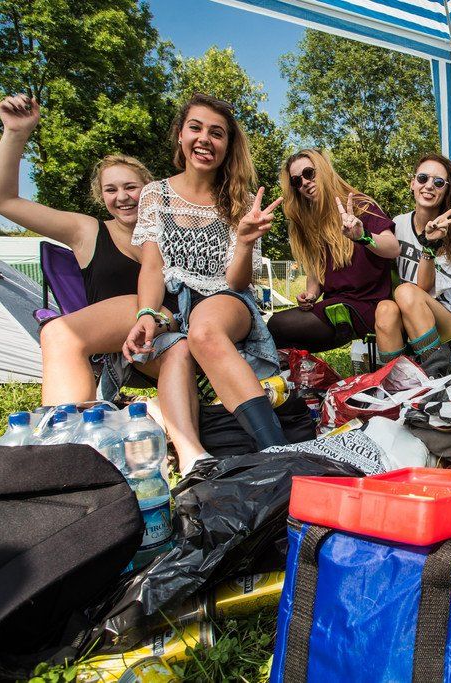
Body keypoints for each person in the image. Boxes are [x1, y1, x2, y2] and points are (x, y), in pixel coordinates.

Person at [0, 94, 177, 405]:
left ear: (149, 189)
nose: (122, 197)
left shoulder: (172, 230)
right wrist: (16, 133)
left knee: (60, 332)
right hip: (120, 351)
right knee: (58, 333)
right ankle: (70, 427)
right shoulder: (87, 231)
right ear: (101, 196)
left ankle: (67, 432)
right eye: (111, 190)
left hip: (167, 327)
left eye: (131, 187)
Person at [123, 93, 283, 473]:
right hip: (171, 300)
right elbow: (152, 266)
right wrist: (146, 313)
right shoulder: (155, 194)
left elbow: (238, 281)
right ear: (180, 134)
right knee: (171, 344)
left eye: (217, 133)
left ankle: (278, 453)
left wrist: (244, 242)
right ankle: (189, 454)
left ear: (227, 145)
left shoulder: (242, 201)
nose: (204, 139)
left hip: (224, 296)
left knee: (204, 331)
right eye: (195, 128)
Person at [267, 149, 399, 352]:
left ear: (324, 170)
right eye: (297, 181)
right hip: (335, 308)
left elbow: (393, 248)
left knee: (276, 326)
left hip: (369, 306)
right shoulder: (309, 223)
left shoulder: (359, 206)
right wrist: (310, 295)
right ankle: (303, 371)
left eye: (309, 173)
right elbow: (316, 274)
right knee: (279, 337)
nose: (305, 183)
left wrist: (363, 236)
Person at [374, 154, 451, 368]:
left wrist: (429, 245)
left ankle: (434, 374)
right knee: (385, 309)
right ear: (413, 183)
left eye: (438, 182)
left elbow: (423, 288)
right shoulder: (398, 223)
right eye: (422, 178)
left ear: (446, 190)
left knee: (406, 292)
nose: (429, 186)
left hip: (448, 319)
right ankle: (398, 380)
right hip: (406, 311)